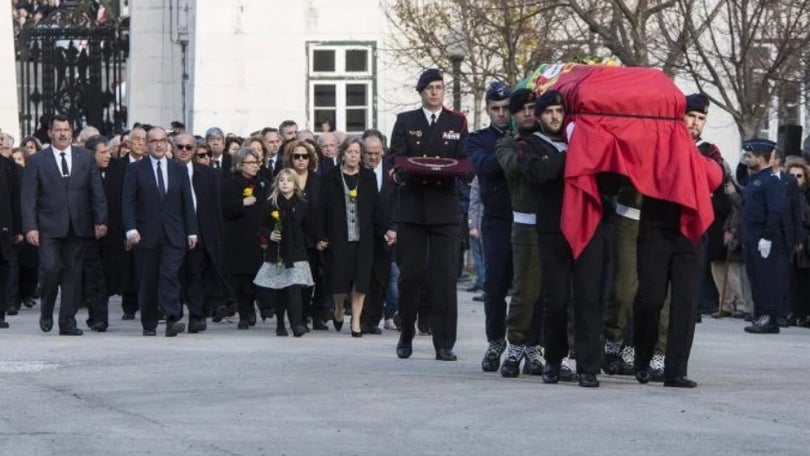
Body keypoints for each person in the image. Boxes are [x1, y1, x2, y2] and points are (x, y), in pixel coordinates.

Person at [515, 91, 607, 387]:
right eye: (548, 112)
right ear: (539, 116)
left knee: (588, 299)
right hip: (553, 231)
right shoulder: (529, 144)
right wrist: (573, 154)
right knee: (556, 300)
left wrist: (587, 147)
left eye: (559, 111)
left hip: (589, 227)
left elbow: (609, 181)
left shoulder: (583, 139)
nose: (554, 117)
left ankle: (588, 366)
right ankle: (553, 360)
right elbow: (539, 173)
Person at [633, 95, 724, 387]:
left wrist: (686, 151)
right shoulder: (658, 144)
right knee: (651, 298)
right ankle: (643, 358)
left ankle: (676, 370)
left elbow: (714, 177)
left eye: (700, 119)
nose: (695, 123)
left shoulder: (709, 150)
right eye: (691, 116)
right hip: (656, 227)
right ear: (679, 117)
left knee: (685, 304)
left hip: (690, 233)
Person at [388, 68, 468, 361]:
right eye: (430, 88)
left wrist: (463, 172)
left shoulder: (456, 121)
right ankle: (406, 332)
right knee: (410, 275)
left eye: (439, 87)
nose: (435, 93)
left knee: (445, 277)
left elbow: (462, 156)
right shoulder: (406, 121)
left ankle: (444, 341)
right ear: (420, 91)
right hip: (413, 207)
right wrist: (404, 171)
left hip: (444, 208)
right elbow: (396, 157)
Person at [21, 115, 108, 335]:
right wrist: (30, 227)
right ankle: (47, 309)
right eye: (58, 130)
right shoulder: (38, 160)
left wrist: (100, 220)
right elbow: (28, 197)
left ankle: (67, 322)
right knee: (50, 269)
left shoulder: (86, 158)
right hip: (48, 226)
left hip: (79, 225)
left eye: (66, 130)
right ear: (50, 133)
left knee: (73, 274)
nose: (62, 134)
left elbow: (96, 191)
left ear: (72, 133)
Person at [122, 126, 198, 337]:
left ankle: (173, 318)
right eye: (153, 140)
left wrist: (192, 231)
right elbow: (127, 202)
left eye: (162, 140)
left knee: (170, 274)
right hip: (145, 234)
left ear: (167, 144)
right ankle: (149, 322)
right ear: (146, 144)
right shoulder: (135, 169)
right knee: (148, 280)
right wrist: (130, 229)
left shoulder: (178, 168)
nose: (158, 144)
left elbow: (187, 202)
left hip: (174, 233)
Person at [467, 81, 514, 371]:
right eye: (495, 109)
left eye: (506, 108)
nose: (501, 114)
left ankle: (529, 344)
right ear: (487, 110)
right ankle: (496, 340)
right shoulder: (478, 139)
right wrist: (511, 151)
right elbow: (483, 167)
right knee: (494, 285)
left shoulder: (525, 133)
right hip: (496, 218)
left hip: (523, 217)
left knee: (528, 286)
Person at [319, 137, 379, 337]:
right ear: (342, 154)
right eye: (350, 152)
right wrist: (321, 234)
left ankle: (355, 321)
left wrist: (385, 230)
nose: (353, 155)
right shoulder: (330, 176)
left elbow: (376, 207)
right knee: (340, 281)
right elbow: (322, 208)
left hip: (364, 237)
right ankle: (338, 308)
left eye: (357, 152)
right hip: (338, 236)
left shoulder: (368, 177)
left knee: (360, 280)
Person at [254, 169, 315, 337]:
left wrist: (316, 240)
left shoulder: (303, 204)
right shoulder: (270, 203)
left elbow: (308, 227)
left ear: (295, 184)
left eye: (289, 180)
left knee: (295, 288)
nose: (285, 183)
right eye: (281, 180)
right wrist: (269, 234)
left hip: (297, 251)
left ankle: (296, 324)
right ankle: (280, 323)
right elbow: (260, 225)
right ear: (277, 183)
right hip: (278, 251)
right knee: (280, 288)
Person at [175, 133, 226, 332]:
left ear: (194, 150)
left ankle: (197, 316)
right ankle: (174, 315)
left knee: (196, 274)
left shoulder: (209, 174)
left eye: (189, 147)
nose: (184, 151)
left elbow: (216, 208)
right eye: (180, 147)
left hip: (201, 232)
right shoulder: (166, 171)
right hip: (174, 232)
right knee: (175, 276)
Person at [221, 148, 268, 329]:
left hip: (258, 237)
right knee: (241, 280)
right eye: (250, 163)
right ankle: (244, 313)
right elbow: (224, 209)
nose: (255, 166)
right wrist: (242, 203)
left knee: (256, 278)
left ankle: (257, 306)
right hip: (238, 238)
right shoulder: (230, 184)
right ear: (240, 165)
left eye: (256, 163)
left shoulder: (262, 184)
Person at [83, 135, 126, 332]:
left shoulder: (119, 169)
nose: (108, 156)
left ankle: (96, 314)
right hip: (89, 233)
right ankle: (99, 318)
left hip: (114, 232)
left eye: (109, 151)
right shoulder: (81, 170)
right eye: (102, 152)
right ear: (91, 154)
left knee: (110, 275)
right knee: (94, 275)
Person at [284, 140, 329, 331]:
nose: (301, 160)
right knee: (299, 279)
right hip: (294, 237)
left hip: (317, 236)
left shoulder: (319, 180)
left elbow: (326, 209)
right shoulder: (285, 179)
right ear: (290, 158)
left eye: (305, 156)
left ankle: (318, 315)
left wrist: (324, 237)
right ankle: (300, 317)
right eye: (297, 156)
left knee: (318, 278)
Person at [359, 130, 396, 333]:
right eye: (368, 153)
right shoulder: (354, 170)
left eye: (376, 153)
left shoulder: (393, 170)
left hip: (387, 233)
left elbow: (400, 200)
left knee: (381, 277)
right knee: (362, 276)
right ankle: (362, 318)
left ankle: (373, 319)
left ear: (383, 150)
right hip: (362, 232)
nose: (372, 157)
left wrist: (394, 229)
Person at [0, 151, 22, 328]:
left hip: (4, 226)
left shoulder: (8, 165)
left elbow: (16, 197)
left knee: (3, 269)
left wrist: (19, 227)